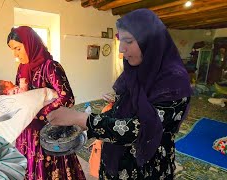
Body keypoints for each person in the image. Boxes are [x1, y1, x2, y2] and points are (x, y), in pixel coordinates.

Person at [47, 9, 192, 179]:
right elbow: (121, 112)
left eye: (128, 41)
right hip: (115, 161)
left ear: (150, 41)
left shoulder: (174, 82)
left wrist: (81, 119)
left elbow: (143, 129)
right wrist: (85, 126)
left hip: (147, 166)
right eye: (120, 40)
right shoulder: (134, 72)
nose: (122, 49)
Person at [7, 26, 85, 179]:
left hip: (47, 129)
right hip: (26, 130)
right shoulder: (21, 68)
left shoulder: (50, 66)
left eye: (17, 48)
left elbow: (67, 98)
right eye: (12, 50)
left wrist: (41, 114)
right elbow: (21, 94)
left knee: (50, 167)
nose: (15, 54)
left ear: (29, 44)